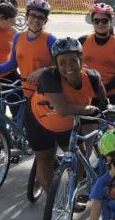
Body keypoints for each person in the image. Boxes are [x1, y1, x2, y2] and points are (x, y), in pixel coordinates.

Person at [27, 37, 107, 194]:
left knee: (81, 158)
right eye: (62, 62)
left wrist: (102, 111)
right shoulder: (49, 77)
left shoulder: (92, 77)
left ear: (81, 59)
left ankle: (72, 193)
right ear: (55, 64)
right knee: (44, 159)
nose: (68, 66)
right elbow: (63, 109)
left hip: (68, 124)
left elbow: (103, 101)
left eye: (73, 60)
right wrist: (89, 109)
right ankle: (55, 203)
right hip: (39, 121)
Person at [0, 0, 57, 98]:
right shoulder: (18, 38)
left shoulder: (50, 40)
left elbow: (64, 68)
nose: (36, 20)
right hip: (25, 92)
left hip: (46, 96)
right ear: (26, 16)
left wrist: (44, 70)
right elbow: (11, 64)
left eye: (41, 17)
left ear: (45, 21)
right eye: (33, 15)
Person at [79, 3, 115, 106]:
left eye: (104, 20)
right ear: (92, 22)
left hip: (111, 95)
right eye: (96, 21)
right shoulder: (82, 41)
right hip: (86, 94)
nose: (100, 24)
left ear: (110, 21)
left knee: (110, 122)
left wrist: (102, 89)